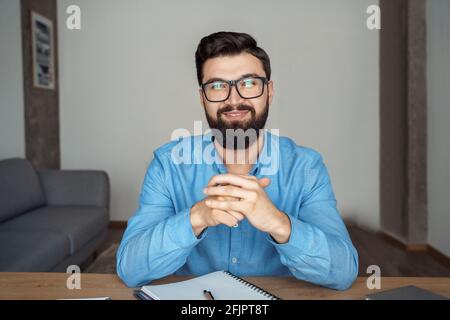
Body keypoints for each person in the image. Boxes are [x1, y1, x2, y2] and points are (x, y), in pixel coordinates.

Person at [117, 31, 358, 290]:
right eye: (218, 86)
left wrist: (278, 222)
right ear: (202, 98)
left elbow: (343, 272)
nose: (234, 99)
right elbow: (131, 269)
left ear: (269, 91)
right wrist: (196, 217)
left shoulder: (306, 168)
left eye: (249, 83)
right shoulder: (168, 165)